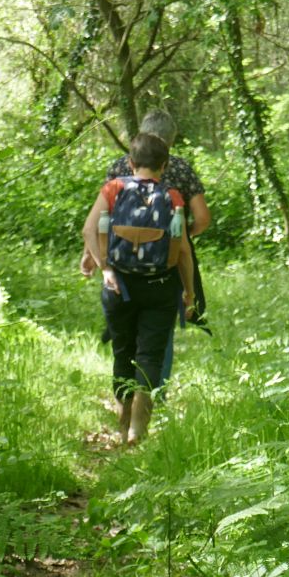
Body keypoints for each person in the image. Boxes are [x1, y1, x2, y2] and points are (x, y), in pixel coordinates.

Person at [80, 132, 196, 444]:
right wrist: (190, 292)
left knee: (123, 350)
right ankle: (138, 429)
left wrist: (104, 266)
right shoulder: (172, 197)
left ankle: (122, 420)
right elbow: (183, 250)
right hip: (160, 287)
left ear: (131, 162)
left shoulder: (113, 188)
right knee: (151, 355)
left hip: (119, 285)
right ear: (165, 164)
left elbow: (88, 229)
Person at [82, 109, 211, 384]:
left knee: (125, 333)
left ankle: (126, 394)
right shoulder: (180, 169)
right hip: (167, 264)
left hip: (120, 262)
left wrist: (93, 257)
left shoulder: (120, 168)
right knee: (160, 331)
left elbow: (99, 221)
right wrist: (179, 239)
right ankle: (153, 394)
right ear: (170, 142)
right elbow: (203, 218)